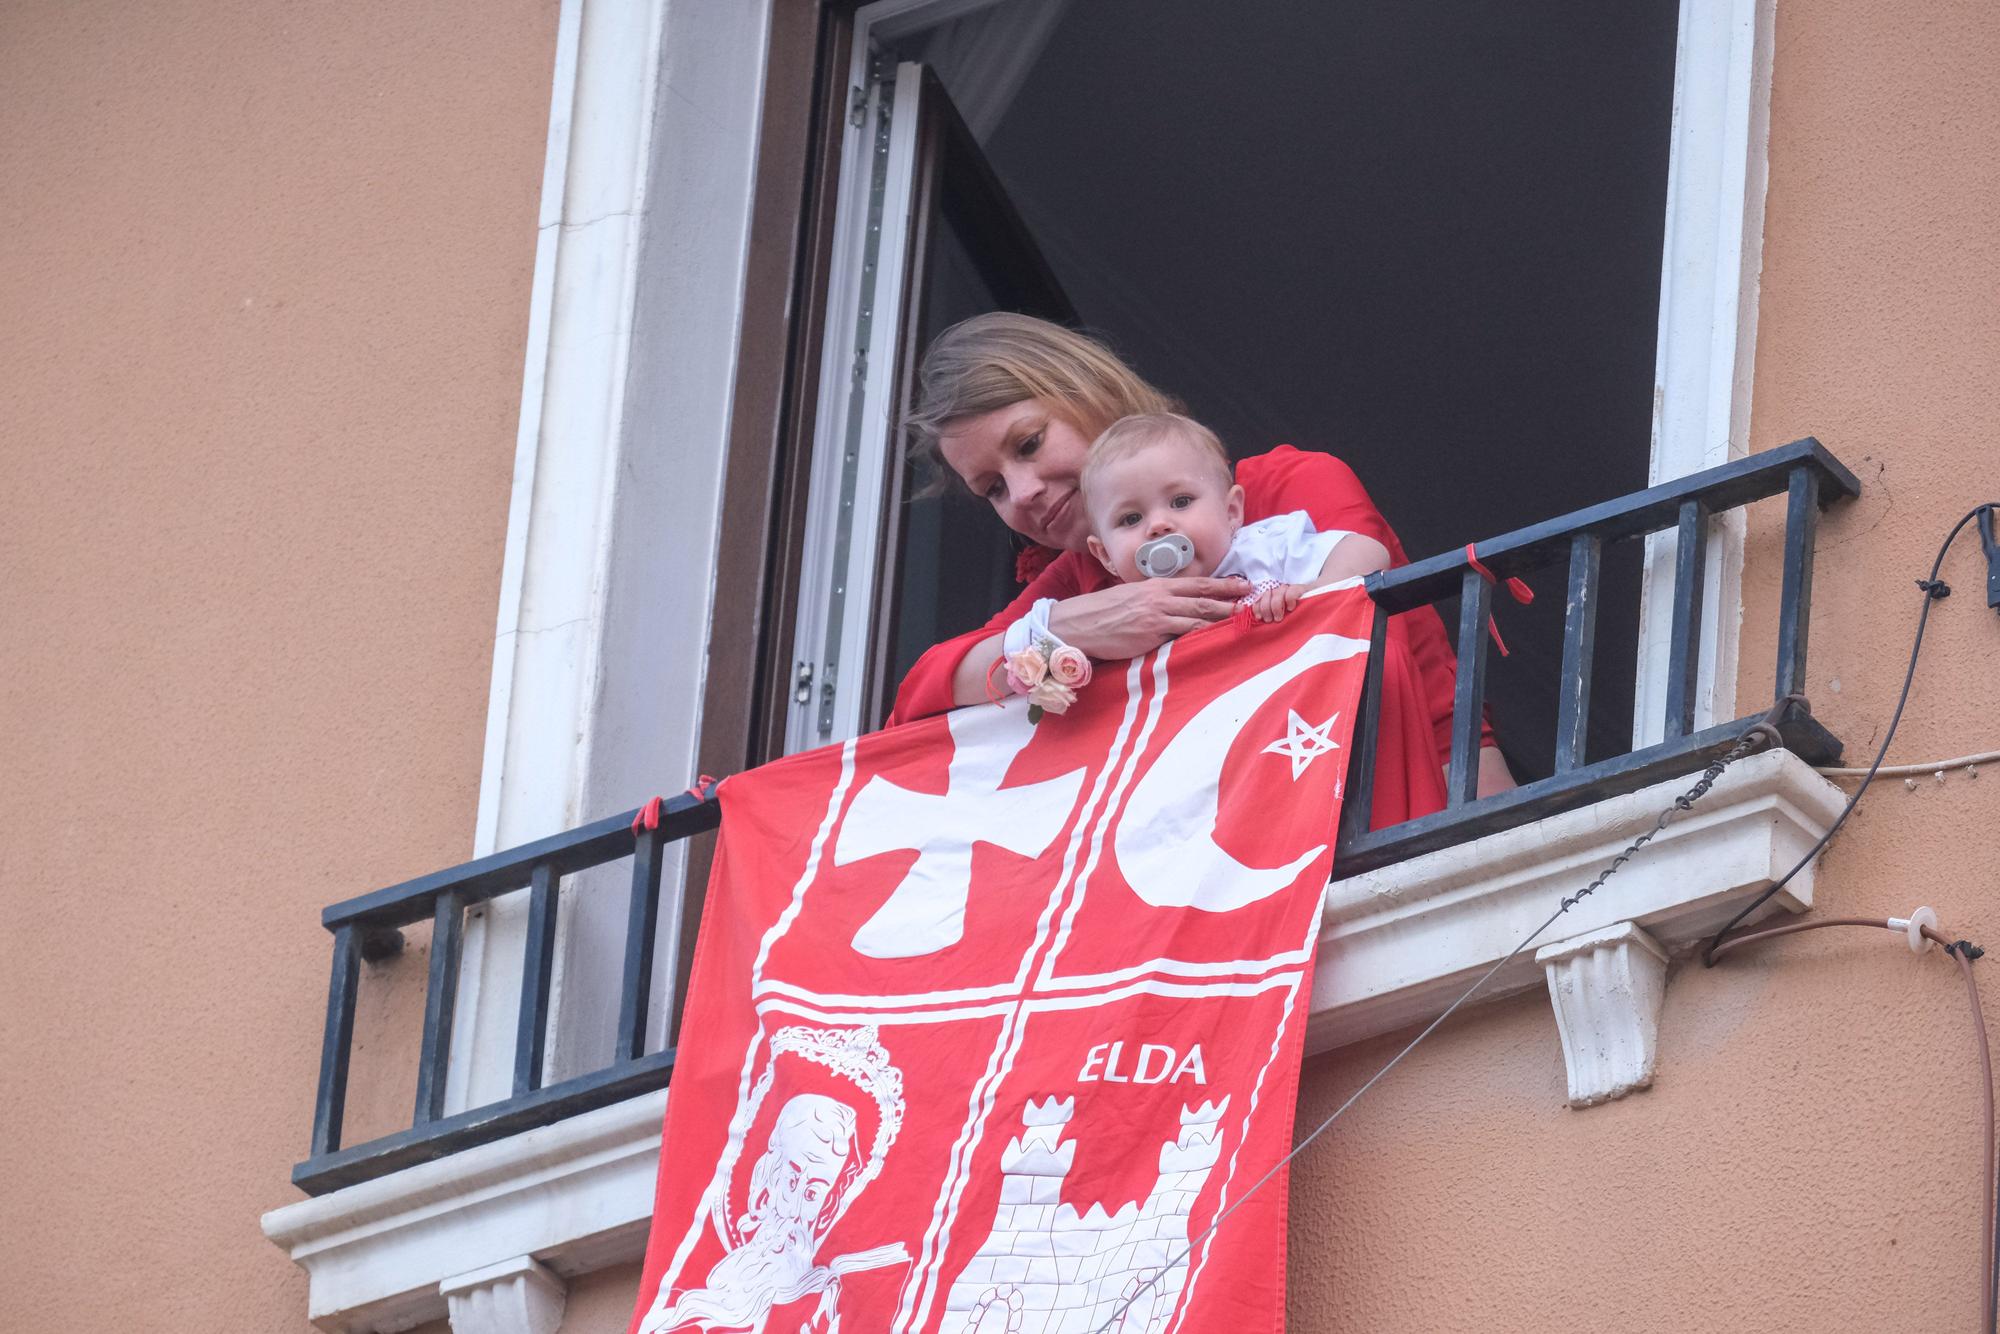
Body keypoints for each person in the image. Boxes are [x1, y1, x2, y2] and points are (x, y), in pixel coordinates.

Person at [888, 312, 1513, 828]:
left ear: (1088, 391)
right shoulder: (1077, 587)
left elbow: (1361, 627)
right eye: (992, 488)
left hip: (1431, 810)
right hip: (1231, 865)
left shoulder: (1291, 485)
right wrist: (1063, 632)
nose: (1021, 491)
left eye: (1028, 444)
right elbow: (914, 711)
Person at [1079, 412, 1387, 623]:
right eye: (1131, 519)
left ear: (1231, 512)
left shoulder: (1264, 548)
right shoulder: (1126, 617)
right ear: (1105, 554)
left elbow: (1369, 553)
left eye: (1181, 501)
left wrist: (1314, 592)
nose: (1158, 525)